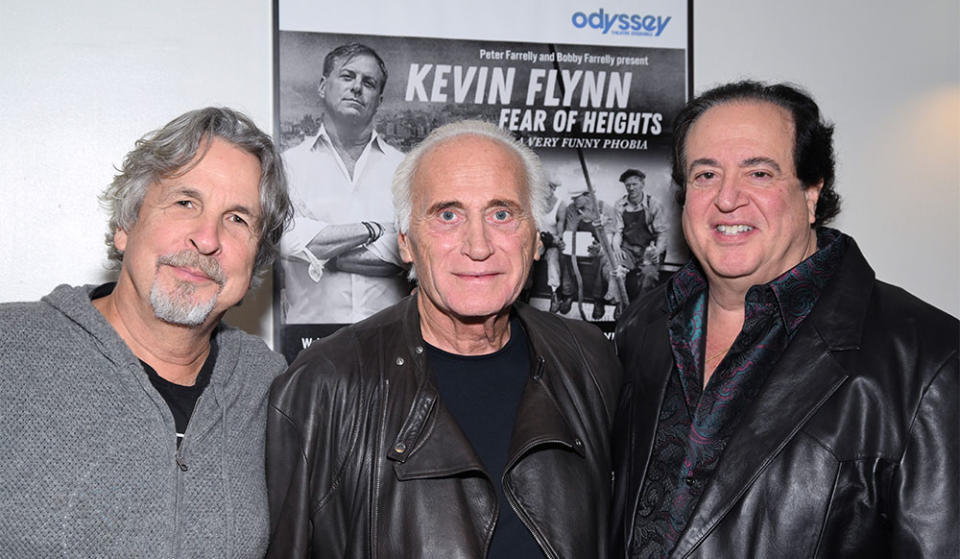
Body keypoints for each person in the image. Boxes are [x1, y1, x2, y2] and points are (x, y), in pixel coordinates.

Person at [610, 81, 958, 558]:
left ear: (812, 191)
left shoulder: (928, 361)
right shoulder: (641, 328)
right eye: (705, 175)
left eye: (759, 173)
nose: (727, 199)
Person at [267, 120, 621, 558]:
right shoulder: (323, 384)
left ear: (534, 240)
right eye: (448, 215)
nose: (477, 245)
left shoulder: (590, 360)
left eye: (502, 214)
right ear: (407, 244)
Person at [0, 108, 293, 557]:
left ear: (256, 257)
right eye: (184, 202)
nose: (206, 238)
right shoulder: (11, 350)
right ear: (125, 226)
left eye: (237, 218)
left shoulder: (272, 386)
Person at [280, 42, 408, 324]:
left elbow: (410, 251)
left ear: (379, 100)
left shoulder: (405, 169)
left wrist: (326, 253)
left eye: (369, 82)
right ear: (323, 87)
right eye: (348, 76)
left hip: (388, 338)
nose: (357, 87)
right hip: (310, 340)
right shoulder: (289, 164)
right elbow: (289, 239)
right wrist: (374, 229)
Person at [611, 169, 669, 298]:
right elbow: (618, 231)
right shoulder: (620, 205)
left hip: (649, 249)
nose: (631, 188)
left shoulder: (653, 204)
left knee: (648, 275)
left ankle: (639, 310)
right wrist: (616, 248)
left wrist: (657, 251)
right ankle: (620, 304)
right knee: (615, 268)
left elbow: (662, 234)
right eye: (628, 185)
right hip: (629, 249)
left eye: (634, 184)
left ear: (642, 184)